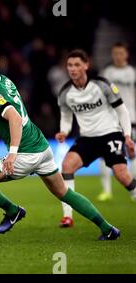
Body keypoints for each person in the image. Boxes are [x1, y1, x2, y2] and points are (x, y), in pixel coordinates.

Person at [0, 48, 120, 240]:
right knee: (64, 192)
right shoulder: (1, 81)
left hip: (25, 153)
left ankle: (13, 211)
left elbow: (13, 117)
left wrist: (12, 153)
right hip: (42, 147)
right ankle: (108, 229)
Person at [56, 49, 136, 228]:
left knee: (122, 175)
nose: (73, 69)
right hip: (88, 138)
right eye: (70, 65)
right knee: (66, 166)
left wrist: (127, 136)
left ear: (86, 65)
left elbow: (122, 111)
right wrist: (64, 131)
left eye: (77, 64)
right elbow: (67, 117)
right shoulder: (65, 93)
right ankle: (68, 216)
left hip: (110, 133)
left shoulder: (102, 85)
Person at [97, 42, 136, 202]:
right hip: (111, 119)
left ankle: (133, 190)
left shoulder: (132, 72)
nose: (118, 56)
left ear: (126, 54)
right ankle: (106, 191)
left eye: (121, 53)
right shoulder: (107, 72)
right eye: (115, 53)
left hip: (131, 117)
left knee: (132, 153)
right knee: (104, 155)